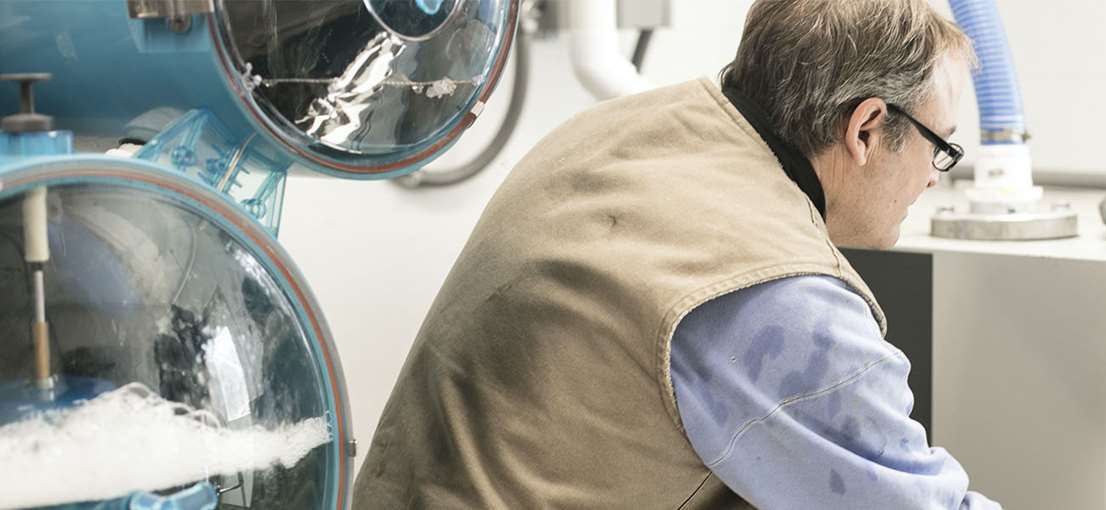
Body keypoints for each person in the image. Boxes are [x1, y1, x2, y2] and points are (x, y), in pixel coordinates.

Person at [355, 0, 1001, 508]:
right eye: (938, 145)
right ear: (863, 129)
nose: (934, 176)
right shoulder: (778, 296)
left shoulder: (617, 127)